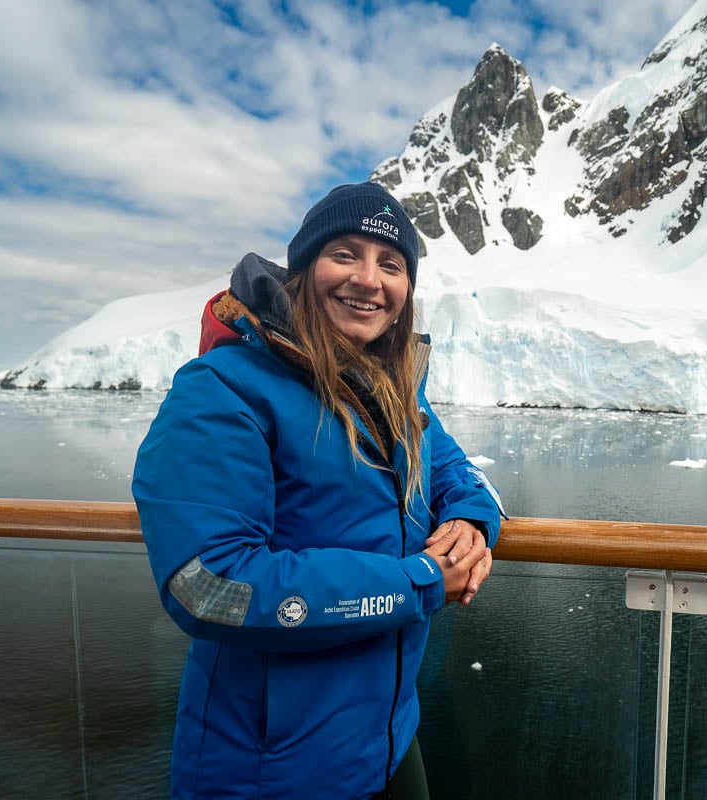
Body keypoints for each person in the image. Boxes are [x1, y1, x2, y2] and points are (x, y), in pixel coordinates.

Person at [132, 182, 505, 800]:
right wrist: (420, 580)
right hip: (271, 769)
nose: (369, 279)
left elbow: (454, 469)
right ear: (303, 268)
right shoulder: (223, 390)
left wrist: (469, 521)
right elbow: (209, 584)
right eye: (345, 254)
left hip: (386, 738)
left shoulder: (393, 390)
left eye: (391, 264)